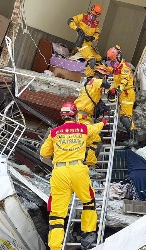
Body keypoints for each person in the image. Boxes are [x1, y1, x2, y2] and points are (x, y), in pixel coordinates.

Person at [40, 102, 108, 250]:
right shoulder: (83, 129)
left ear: (63, 116)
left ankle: (55, 246)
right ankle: (88, 237)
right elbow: (96, 128)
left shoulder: (54, 132)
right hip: (78, 170)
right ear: (75, 115)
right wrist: (102, 122)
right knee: (88, 202)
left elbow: (44, 153)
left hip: (59, 173)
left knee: (57, 214)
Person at [74, 65, 111, 167]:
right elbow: (104, 84)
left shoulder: (91, 86)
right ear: (103, 76)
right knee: (94, 140)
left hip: (82, 116)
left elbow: (95, 102)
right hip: (82, 117)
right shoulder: (95, 81)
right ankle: (89, 165)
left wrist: (105, 108)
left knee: (88, 140)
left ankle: (83, 162)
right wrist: (113, 89)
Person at [106, 45, 137, 147]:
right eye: (111, 61)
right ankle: (131, 137)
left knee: (125, 117)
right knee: (123, 117)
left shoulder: (125, 67)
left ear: (118, 57)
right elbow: (114, 77)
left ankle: (133, 139)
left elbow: (125, 80)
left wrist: (118, 90)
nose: (113, 63)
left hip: (127, 94)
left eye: (113, 61)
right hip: (123, 94)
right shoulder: (116, 68)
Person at [68, 4, 103, 77]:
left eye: (96, 16)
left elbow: (97, 34)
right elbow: (70, 20)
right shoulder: (83, 17)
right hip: (82, 44)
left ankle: (95, 75)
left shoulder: (96, 24)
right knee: (92, 60)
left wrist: (92, 38)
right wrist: (77, 29)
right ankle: (88, 78)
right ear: (91, 11)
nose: (94, 17)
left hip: (89, 45)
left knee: (99, 59)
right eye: (93, 15)